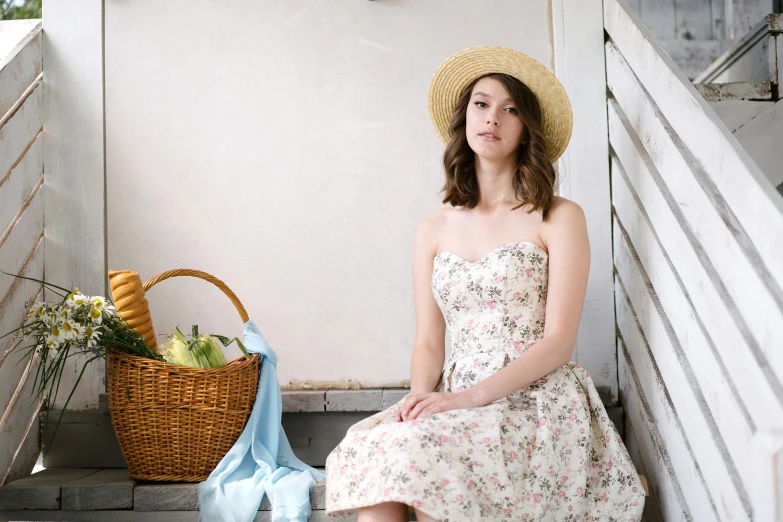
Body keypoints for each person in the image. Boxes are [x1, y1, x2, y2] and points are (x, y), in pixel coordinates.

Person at [324, 45, 645, 522]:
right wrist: (420, 401)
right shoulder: (432, 228)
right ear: (465, 117)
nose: (492, 117)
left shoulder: (558, 217)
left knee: (433, 466)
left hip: (534, 398)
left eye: (510, 109)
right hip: (455, 390)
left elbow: (558, 342)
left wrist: (466, 400)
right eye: (481, 103)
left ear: (525, 129)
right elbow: (429, 342)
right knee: (386, 455)